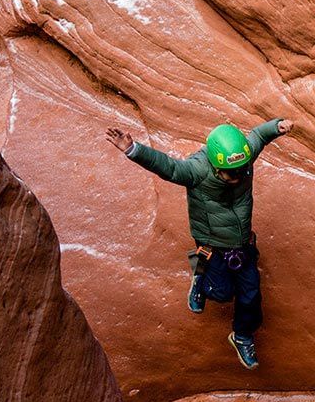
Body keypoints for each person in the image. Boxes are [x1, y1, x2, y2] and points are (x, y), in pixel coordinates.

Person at [106, 118, 292, 369]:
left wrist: (276, 126)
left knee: (251, 297)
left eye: (241, 170)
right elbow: (169, 167)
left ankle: (242, 336)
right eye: (231, 173)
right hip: (212, 241)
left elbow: (258, 136)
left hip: (242, 244)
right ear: (215, 166)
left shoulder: (241, 159)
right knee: (222, 293)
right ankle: (199, 276)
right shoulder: (197, 171)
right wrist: (133, 150)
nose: (237, 176)